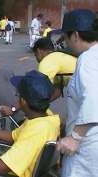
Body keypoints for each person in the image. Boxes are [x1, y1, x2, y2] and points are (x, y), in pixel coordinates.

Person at [56, 9, 98, 177]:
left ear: (75, 35)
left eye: (66, 39)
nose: (67, 44)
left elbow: (94, 98)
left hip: (87, 149)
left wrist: (74, 137)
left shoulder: (87, 59)